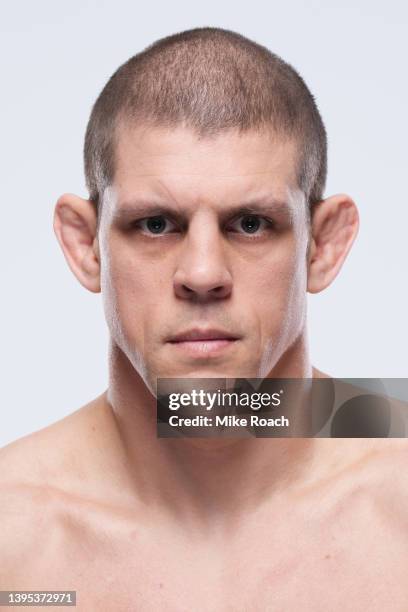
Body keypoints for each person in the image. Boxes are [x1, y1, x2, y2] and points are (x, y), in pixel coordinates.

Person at [1, 27, 407, 610]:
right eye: (156, 224)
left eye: (250, 223)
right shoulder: (12, 535)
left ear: (324, 245)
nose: (202, 273)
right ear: (86, 245)